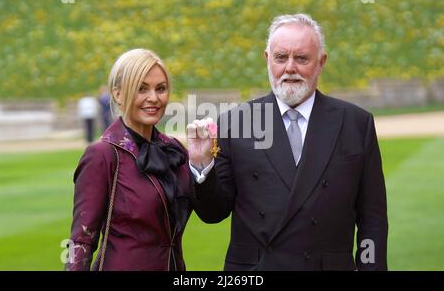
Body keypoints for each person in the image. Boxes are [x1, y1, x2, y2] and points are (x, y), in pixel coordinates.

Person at [187, 14, 388, 271]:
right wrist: (203, 167)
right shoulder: (235, 122)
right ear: (267, 59)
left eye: (301, 58)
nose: (290, 68)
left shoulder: (356, 124)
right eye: (281, 58)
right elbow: (213, 213)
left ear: (321, 62)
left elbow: (372, 219)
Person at [66, 48, 212, 271]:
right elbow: (81, 242)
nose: (153, 98)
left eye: (160, 89)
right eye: (141, 88)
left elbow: (211, 212)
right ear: (117, 94)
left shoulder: (174, 149)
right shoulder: (102, 155)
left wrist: (201, 164)